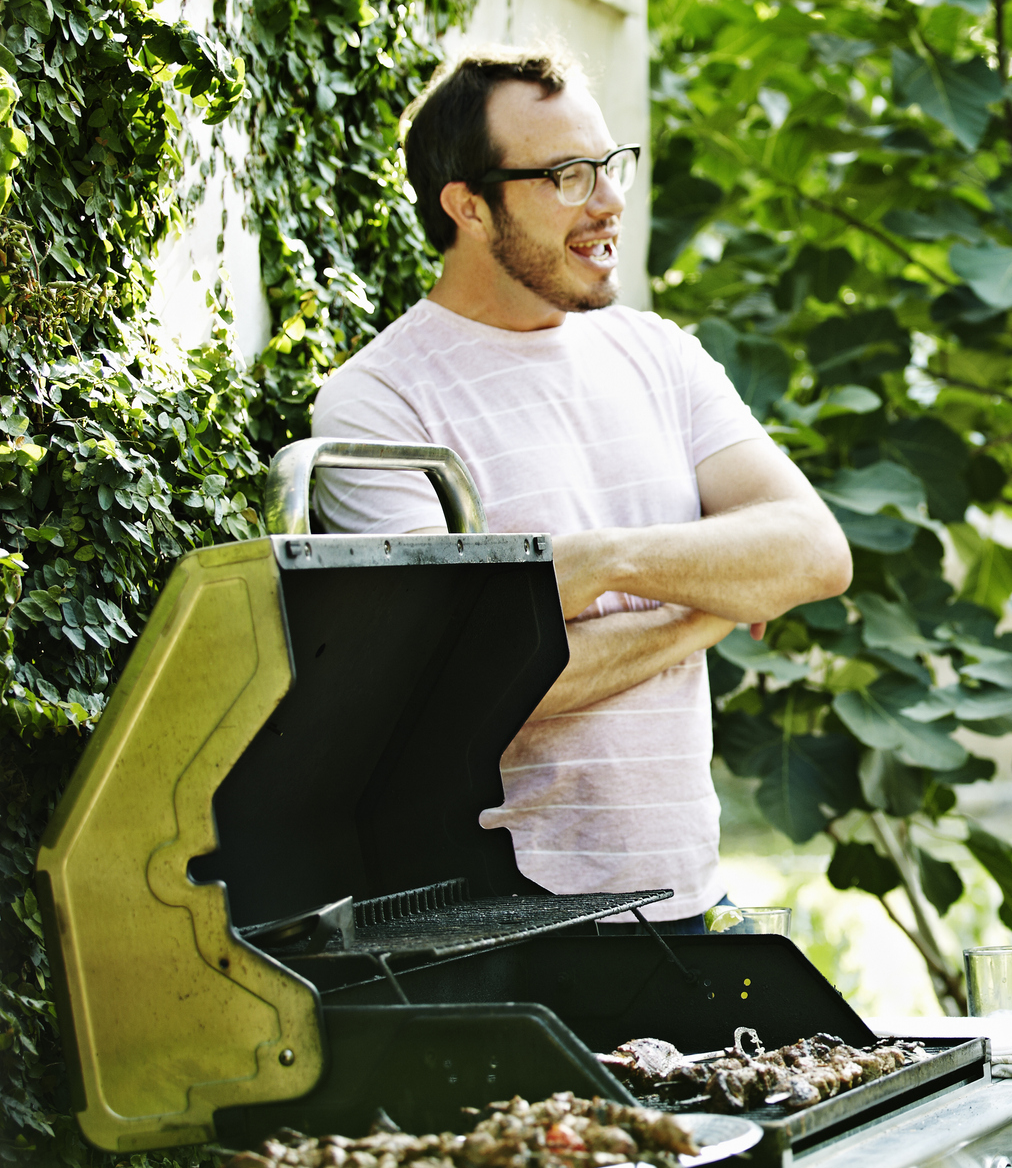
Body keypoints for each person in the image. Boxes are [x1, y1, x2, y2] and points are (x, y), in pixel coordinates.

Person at [311, 50, 851, 930]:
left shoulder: (659, 354)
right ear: (469, 206)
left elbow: (814, 552)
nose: (607, 202)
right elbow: (448, 685)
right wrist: (711, 607)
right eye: (567, 175)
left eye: (609, 165)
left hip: (693, 895)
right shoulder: (379, 401)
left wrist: (605, 562)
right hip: (506, 916)